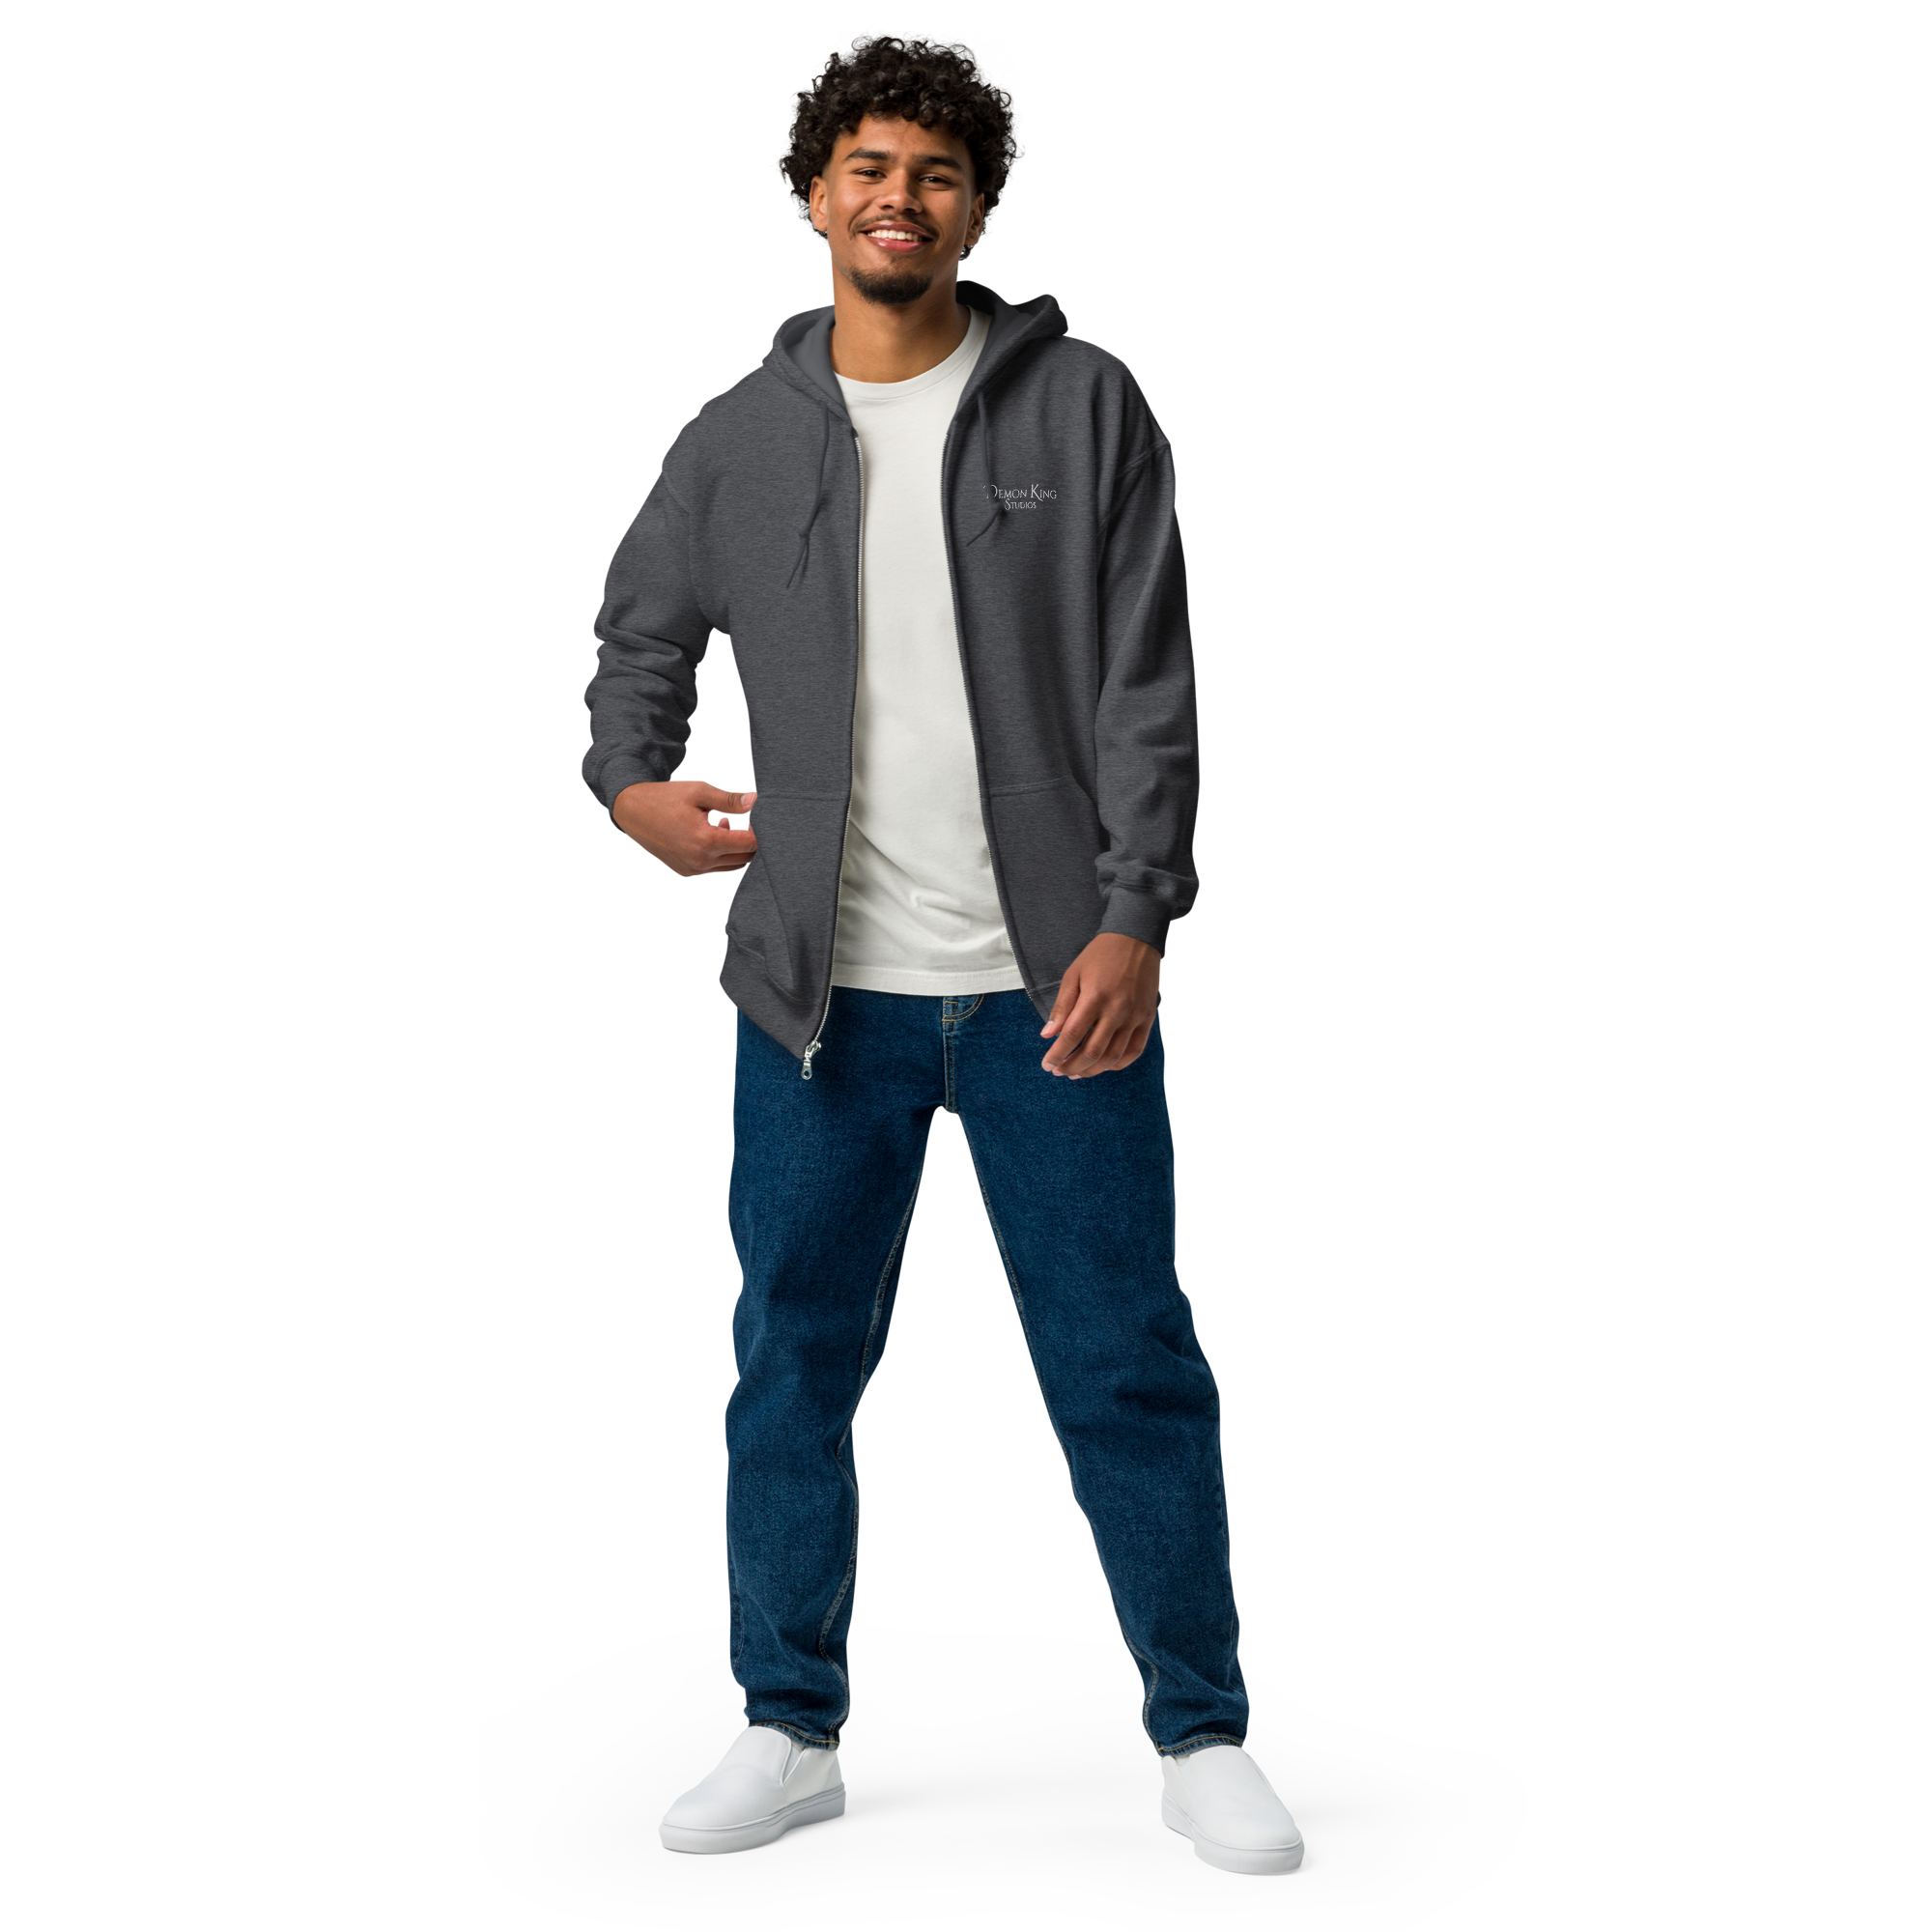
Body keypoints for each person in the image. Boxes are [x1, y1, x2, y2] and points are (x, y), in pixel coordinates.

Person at [585, 29, 1304, 1877]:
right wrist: (630, 789)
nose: (899, 199)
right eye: (868, 168)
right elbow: (631, 616)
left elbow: (1150, 685)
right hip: (816, 999)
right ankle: (786, 1722)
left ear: (981, 208)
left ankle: (1202, 1729)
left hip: (1055, 988)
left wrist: (1136, 916)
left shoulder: (1085, 404)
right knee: (791, 1364)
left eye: (937, 173)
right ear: (813, 196)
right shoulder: (739, 434)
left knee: (1126, 1360)